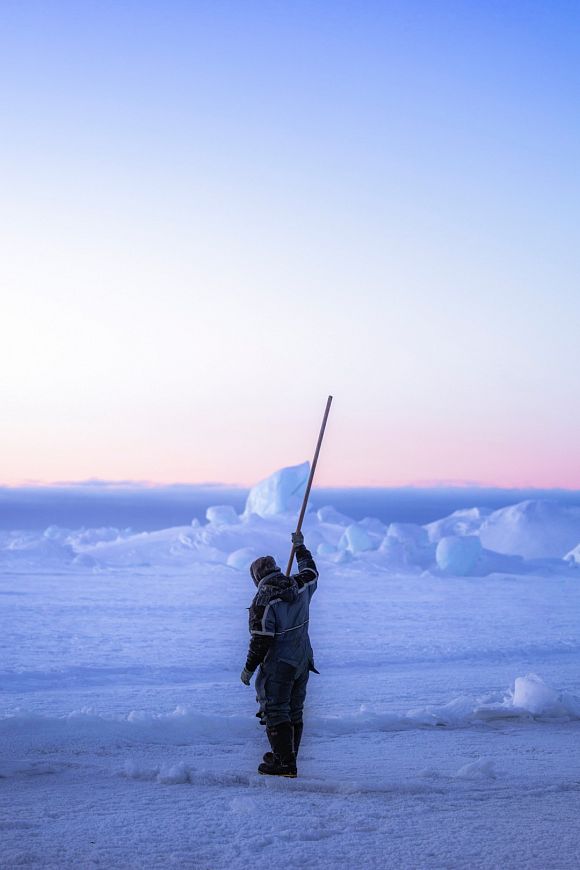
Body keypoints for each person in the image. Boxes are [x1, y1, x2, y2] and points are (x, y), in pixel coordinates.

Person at [240, 531, 319, 777]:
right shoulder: (300, 584)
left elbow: (261, 640)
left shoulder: (262, 601)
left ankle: (284, 764)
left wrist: (249, 668)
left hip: (279, 664)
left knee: (275, 710)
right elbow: (312, 572)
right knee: (295, 709)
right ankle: (286, 755)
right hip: (302, 659)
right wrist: (301, 549)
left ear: (257, 578)